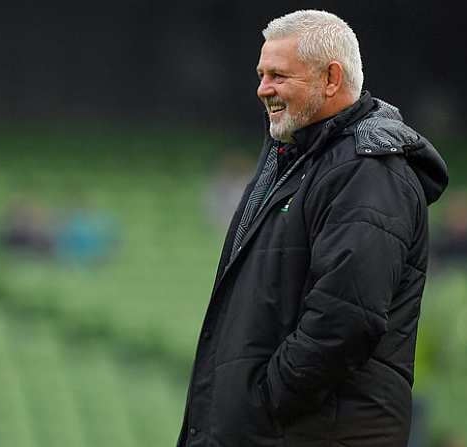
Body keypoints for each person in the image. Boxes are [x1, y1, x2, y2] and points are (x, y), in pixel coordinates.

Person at [177, 10, 448, 447]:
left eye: (279, 75)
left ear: (331, 79)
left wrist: (264, 403)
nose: (263, 88)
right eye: (262, 74)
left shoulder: (368, 172)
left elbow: (346, 319)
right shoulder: (294, 162)